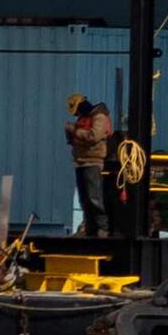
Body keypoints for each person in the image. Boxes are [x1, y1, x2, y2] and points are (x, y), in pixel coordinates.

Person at [62, 96, 113, 245]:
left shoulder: (99, 117)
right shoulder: (84, 119)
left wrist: (74, 130)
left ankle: (102, 228)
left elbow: (93, 136)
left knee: (94, 197)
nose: (77, 115)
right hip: (80, 162)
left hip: (93, 162)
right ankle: (89, 228)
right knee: (84, 199)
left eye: (77, 111)